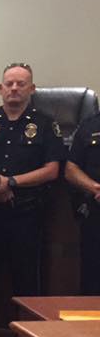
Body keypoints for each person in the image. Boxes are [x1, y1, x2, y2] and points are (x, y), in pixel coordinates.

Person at [0, 63, 64, 337]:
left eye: (20, 84)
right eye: (9, 83)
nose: (14, 88)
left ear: (31, 89)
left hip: (26, 213)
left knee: (26, 279)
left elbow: (52, 169)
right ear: (0, 89)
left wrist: (10, 182)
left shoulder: (46, 124)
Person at [66, 109, 100, 295]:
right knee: (93, 279)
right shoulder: (89, 126)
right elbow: (71, 169)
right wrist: (95, 188)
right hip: (96, 213)